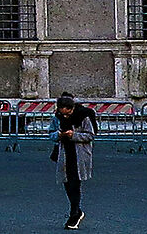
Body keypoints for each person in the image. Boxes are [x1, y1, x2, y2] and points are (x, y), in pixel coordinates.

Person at [49, 93, 96, 230]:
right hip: (64, 154)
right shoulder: (57, 118)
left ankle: (74, 212)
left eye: (67, 114)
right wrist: (59, 135)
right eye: (62, 113)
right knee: (67, 183)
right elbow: (51, 134)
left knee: (75, 183)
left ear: (72, 109)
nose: (65, 117)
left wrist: (74, 135)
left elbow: (90, 135)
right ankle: (76, 210)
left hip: (79, 154)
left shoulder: (84, 116)